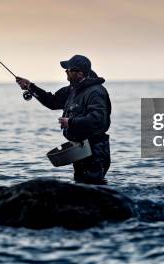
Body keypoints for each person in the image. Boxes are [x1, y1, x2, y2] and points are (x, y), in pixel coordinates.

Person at [16, 55, 112, 184]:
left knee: (94, 191)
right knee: (81, 191)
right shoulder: (72, 90)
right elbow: (52, 102)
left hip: (95, 152)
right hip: (80, 150)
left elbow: (98, 119)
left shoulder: (96, 92)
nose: (65, 72)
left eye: (69, 70)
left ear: (80, 73)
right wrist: (30, 87)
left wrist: (70, 122)